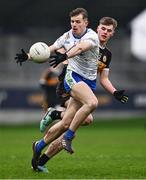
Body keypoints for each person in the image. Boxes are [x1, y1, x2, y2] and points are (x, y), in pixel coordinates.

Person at [32, 16, 128, 173]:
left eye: (108, 30)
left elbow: (103, 78)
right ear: (97, 28)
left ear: (112, 34)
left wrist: (114, 92)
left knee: (71, 124)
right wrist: (62, 56)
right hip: (69, 83)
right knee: (84, 116)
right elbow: (73, 47)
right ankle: (56, 114)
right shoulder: (87, 38)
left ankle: (40, 157)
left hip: (84, 85)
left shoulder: (106, 55)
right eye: (103, 28)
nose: (105, 32)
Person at [15, 7, 100, 172]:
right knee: (92, 102)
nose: (74, 24)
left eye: (78, 21)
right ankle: (67, 138)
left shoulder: (91, 36)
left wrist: (66, 55)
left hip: (88, 82)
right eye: (72, 21)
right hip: (73, 78)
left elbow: (82, 47)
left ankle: (39, 146)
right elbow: (49, 49)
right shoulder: (67, 36)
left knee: (68, 122)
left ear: (86, 22)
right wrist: (28, 56)